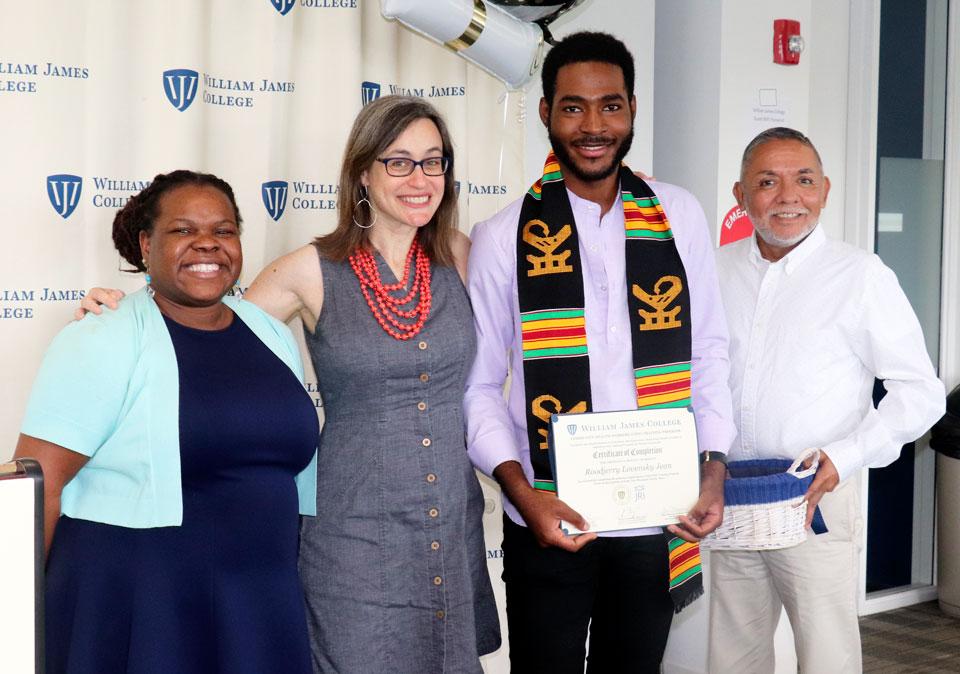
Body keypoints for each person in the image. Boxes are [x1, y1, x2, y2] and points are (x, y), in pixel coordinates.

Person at [78, 96, 500, 673]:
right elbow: (206, 324)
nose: (420, 178)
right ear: (362, 173)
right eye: (398, 161)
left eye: (433, 161)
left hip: (448, 526)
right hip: (352, 534)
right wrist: (125, 307)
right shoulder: (308, 268)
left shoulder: (464, 255)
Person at [464, 31, 736, 673]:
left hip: (658, 521)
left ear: (633, 110)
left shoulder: (680, 215)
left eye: (610, 106)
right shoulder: (503, 237)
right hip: (550, 516)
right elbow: (478, 385)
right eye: (573, 107)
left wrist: (713, 469)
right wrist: (524, 495)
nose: (593, 125)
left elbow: (708, 353)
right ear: (546, 113)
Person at [15, 170, 319, 674]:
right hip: (141, 605)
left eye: (224, 231)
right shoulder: (104, 335)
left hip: (260, 599)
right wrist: (16, 622)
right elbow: (37, 483)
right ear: (145, 244)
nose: (207, 244)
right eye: (183, 230)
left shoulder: (270, 332)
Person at [708, 127, 946, 674]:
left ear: (826, 190)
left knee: (826, 656)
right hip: (734, 495)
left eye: (804, 180)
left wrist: (846, 456)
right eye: (767, 182)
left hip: (815, 496)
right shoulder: (714, 271)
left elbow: (921, 392)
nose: (788, 196)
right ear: (740, 196)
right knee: (730, 657)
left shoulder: (860, 275)